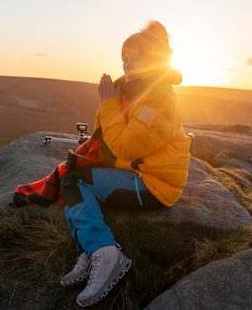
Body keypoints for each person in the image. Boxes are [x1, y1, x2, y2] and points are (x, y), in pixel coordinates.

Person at [60, 20, 191, 307]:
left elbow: (126, 147)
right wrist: (86, 156)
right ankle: (90, 248)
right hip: (130, 173)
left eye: (137, 58)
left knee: (76, 182)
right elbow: (103, 136)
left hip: (154, 183)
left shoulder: (160, 98)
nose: (128, 64)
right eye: (125, 58)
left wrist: (107, 103)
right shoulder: (126, 89)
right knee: (69, 176)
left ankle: (107, 255)